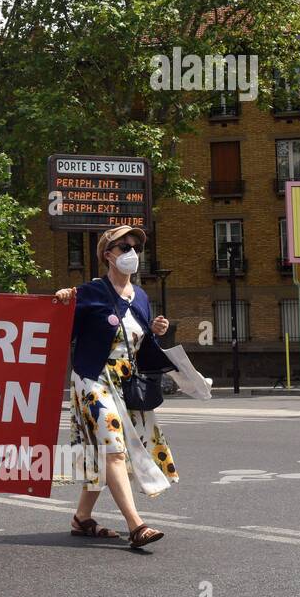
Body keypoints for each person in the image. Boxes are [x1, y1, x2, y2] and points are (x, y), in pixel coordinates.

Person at [54, 225, 177, 550]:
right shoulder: (91, 292)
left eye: (135, 246)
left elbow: (138, 342)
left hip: (126, 385)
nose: (131, 253)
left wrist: (154, 330)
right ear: (107, 255)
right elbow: (58, 329)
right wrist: (63, 302)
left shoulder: (142, 297)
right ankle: (136, 525)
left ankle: (82, 518)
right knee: (114, 450)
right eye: (123, 247)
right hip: (93, 379)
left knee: (102, 455)